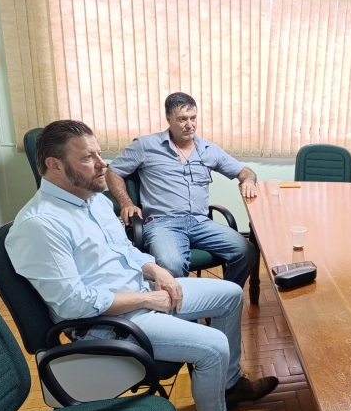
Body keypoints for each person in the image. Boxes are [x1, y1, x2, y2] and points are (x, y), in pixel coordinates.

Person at [6, 120, 279, 411]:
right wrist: (147, 299)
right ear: (55, 165)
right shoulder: (40, 225)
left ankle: (230, 385)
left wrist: (156, 270)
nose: (103, 164)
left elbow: (126, 250)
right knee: (213, 345)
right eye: (88, 158)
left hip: (140, 293)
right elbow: (74, 304)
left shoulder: (93, 200)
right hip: (108, 323)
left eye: (99, 153)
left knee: (231, 295)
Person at [106, 92, 258, 288]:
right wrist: (126, 203)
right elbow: (113, 171)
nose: (189, 124)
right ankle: (185, 307)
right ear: (168, 119)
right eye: (182, 119)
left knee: (247, 251)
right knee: (172, 265)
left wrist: (249, 181)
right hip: (162, 223)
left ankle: (225, 296)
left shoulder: (208, 149)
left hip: (201, 223)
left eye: (193, 118)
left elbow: (245, 172)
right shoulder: (145, 145)